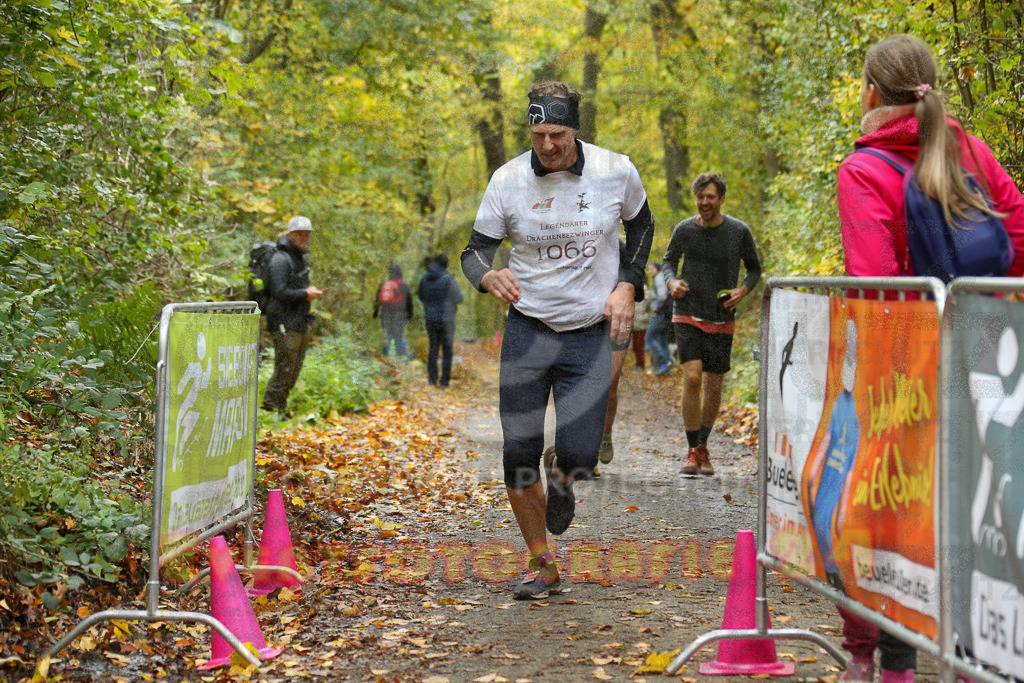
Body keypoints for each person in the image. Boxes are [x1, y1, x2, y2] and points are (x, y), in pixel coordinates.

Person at [835, 34, 1024, 683]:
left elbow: (876, 285)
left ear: (869, 93)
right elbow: (1018, 234)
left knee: (879, 513)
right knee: (982, 513)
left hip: (905, 380)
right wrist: (994, 326)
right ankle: (982, 658)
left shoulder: (864, 170)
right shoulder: (968, 148)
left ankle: (879, 660)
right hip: (988, 367)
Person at [461, 81, 654, 600]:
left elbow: (643, 225)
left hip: (588, 333)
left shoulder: (617, 170)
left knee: (580, 453)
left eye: (559, 134)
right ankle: (539, 562)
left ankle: (564, 475)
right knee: (517, 450)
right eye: (539, 133)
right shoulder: (506, 180)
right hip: (528, 330)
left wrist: (627, 284)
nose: (548, 145)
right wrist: (486, 277)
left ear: (576, 128)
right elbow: (474, 252)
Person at [662, 172, 761, 477]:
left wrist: (742, 290)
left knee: (714, 384)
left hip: (721, 316)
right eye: (700, 197)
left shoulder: (738, 231)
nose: (705, 202)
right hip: (687, 311)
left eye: (710, 197)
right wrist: (671, 282)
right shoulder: (684, 230)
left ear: (720, 199)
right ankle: (692, 449)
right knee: (693, 378)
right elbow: (668, 262)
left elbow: (754, 269)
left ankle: (703, 445)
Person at [261, 216, 326, 413]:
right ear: (290, 235)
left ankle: (280, 411)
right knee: (284, 370)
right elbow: (278, 292)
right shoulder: (280, 259)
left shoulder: (300, 257)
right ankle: (270, 411)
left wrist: (308, 291)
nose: (305, 237)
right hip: (283, 322)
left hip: (299, 321)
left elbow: (295, 287)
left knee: (293, 370)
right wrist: (306, 294)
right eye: (300, 234)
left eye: (308, 233)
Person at [417, 253, 464, 387]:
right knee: (447, 349)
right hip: (447, 319)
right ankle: (444, 382)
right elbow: (459, 298)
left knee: (433, 348)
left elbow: (420, 295)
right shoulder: (448, 279)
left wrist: (430, 306)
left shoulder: (425, 278)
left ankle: (432, 380)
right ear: (446, 265)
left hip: (430, 318)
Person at [373, 263, 414, 358]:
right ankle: (400, 357)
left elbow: (377, 300)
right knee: (398, 336)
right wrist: (410, 316)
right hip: (399, 315)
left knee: (387, 335)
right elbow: (409, 301)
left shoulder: (384, 284)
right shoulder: (403, 285)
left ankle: (385, 357)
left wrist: (375, 313)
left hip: (385, 315)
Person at [645, 261, 673, 375]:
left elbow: (662, 296)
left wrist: (656, 308)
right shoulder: (660, 277)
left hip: (661, 313)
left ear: (657, 268)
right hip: (667, 313)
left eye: (652, 269)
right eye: (648, 269)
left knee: (649, 338)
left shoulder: (659, 277)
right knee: (662, 339)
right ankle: (666, 369)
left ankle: (665, 361)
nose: (650, 271)